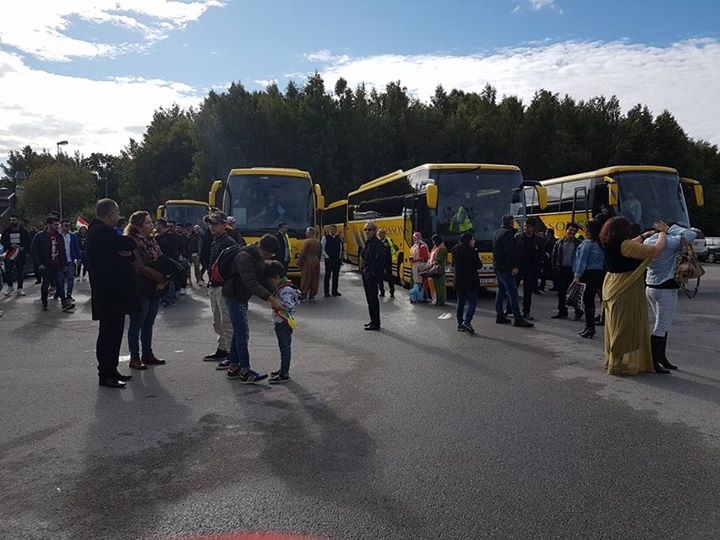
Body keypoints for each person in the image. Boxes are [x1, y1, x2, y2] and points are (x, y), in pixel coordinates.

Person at [600, 216, 667, 375]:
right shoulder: (625, 246)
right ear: (624, 230)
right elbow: (655, 251)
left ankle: (612, 359)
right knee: (626, 326)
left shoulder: (608, 242)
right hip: (626, 286)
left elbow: (631, 245)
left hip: (612, 283)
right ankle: (618, 362)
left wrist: (644, 236)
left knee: (615, 323)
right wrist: (663, 233)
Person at [86, 199, 138, 388]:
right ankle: (106, 374)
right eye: (117, 214)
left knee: (114, 333)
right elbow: (129, 243)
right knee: (109, 335)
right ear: (110, 214)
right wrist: (125, 252)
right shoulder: (102, 232)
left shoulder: (98, 231)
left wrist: (126, 254)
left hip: (111, 292)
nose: (118, 218)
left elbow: (128, 253)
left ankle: (111, 369)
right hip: (109, 292)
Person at [222, 234, 284, 382]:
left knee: (239, 332)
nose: (268, 257)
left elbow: (260, 278)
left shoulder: (257, 255)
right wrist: (270, 299)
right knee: (243, 333)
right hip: (234, 296)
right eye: (267, 254)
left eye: (271, 255)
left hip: (241, 296)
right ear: (259, 247)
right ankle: (245, 371)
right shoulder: (244, 256)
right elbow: (251, 283)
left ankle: (234, 366)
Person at [644, 222, 697, 370]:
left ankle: (661, 358)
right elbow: (691, 234)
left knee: (660, 324)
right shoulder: (669, 241)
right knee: (662, 326)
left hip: (651, 286)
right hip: (666, 287)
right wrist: (669, 229)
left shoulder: (648, 241)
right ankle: (654, 360)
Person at [125, 211, 168, 370]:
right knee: (137, 323)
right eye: (148, 223)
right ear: (138, 226)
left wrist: (165, 276)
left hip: (155, 287)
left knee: (149, 322)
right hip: (140, 287)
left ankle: (147, 353)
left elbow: (161, 258)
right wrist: (160, 277)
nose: (152, 225)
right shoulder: (131, 242)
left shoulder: (151, 240)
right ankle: (134, 357)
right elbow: (138, 267)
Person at [203, 211, 237, 368]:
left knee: (226, 322)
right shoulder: (215, 240)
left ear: (224, 224)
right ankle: (223, 348)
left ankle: (232, 354)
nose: (212, 227)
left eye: (215, 224)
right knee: (217, 321)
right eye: (210, 224)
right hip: (214, 285)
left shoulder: (228, 242)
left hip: (223, 286)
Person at [492, 214, 533, 327]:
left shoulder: (497, 232)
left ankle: (499, 315)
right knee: (513, 292)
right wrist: (514, 266)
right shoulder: (508, 234)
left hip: (498, 266)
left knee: (500, 291)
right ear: (511, 222)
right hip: (506, 268)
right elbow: (510, 252)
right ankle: (517, 317)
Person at [263, 261, 301, 384]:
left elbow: (288, 306)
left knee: (285, 348)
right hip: (281, 321)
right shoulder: (284, 287)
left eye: (271, 280)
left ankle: (284, 374)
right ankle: (282, 370)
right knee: (283, 347)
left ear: (277, 277)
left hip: (283, 322)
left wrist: (276, 304)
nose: (270, 283)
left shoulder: (285, 290)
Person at [31, 216, 74, 312]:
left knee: (60, 283)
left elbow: (62, 251)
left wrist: (65, 264)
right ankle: (44, 302)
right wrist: (39, 264)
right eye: (55, 224)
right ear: (48, 225)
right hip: (46, 266)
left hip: (58, 265)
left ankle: (64, 303)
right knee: (45, 284)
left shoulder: (59, 237)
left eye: (57, 224)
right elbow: (34, 252)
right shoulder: (39, 236)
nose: (57, 226)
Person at [572, 219, 606, 339]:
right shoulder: (601, 244)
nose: (585, 230)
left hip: (589, 274)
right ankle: (595, 323)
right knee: (603, 300)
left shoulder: (588, 244)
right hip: (600, 274)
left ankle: (590, 327)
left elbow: (582, 261)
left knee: (588, 301)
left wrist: (577, 275)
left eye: (586, 228)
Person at [551, 223, 582, 320]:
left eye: (574, 231)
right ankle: (562, 311)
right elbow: (554, 256)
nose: (572, 232)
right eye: (570, 230)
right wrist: (554, 269)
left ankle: (578, 312)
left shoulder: (579, 243)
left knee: (575, 293)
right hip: (562, 270)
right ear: (566, 230)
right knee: (561, 292)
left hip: (573, 271)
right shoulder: (559, 242)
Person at [452, 232, 481, 334]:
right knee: (472, 302)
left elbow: (453, 264)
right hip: (471, 280)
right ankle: (467, 321)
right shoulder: (472, 251)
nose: (474, 241)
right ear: (468, 241)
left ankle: (460, 324)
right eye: (472, 240)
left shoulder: (455, 250)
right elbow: (479, 265)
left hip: (459, 280)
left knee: (460, 302)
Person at [515, 219, 543, 320]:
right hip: (518, 268)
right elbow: (513, 253)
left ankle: (526, 312)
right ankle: (510, 309)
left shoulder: (537, 240)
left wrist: (537, 269)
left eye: (529, 226)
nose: (527, 228)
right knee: (513, 290)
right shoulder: (518, 238)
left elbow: (540, 254)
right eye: (525, 226)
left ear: (533, 228)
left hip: (530, 269)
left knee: (528, 292)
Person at [360, 221, 384, 330]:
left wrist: (373, 272)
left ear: (374, 231)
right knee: (369, 299)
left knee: (373, 299)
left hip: (372, 275)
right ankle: (372, 320)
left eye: (369, 229)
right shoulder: (368, 242)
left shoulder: (377, 243)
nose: (367, 231)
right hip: (366, 273)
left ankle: (376, 323)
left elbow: (380, 260)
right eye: (365, 229)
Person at [1, 214, 31, 296]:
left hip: (20, 254)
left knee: (20, 272)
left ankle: (20, 289)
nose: (12, 222)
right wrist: (10, 245)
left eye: (13, 220)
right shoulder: (6, 231)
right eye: (10, 220)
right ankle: (10, 286)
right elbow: (3, 241)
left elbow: (29, 242)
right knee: (8, 271)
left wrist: (23, 248)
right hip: (9, 253)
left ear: (18, 221)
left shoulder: (24, 231)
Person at [59, 219, 81, 302]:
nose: (68, 227)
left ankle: (69, 295)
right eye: (66, 225)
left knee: (70, 278)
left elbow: (76, 248)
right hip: (60, 261)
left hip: (70, 260)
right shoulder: (58, 236)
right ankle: (60, 293)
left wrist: (78, 258)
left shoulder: (73, 236)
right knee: (60, 280)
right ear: (61, 226)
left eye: (69, 225)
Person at [298, 227, 322, 301]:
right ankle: (312, 294)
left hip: (308, 261)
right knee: (315, 278)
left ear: (308, 233)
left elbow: (303, 253)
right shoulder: (318, 242)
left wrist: (299, 262)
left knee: (306, 277)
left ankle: (304, 294)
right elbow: (320, 253)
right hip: (316, 260)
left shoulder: (306, 242)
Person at [321, 224, 343, 297]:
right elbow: (322, 249)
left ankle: (334, 291)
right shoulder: (325, 238)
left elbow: (340, 248)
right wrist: (327, 257)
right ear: (329, 230)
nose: (333, 231)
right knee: (327, 276)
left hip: (337, 260)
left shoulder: (338, 238)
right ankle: (326, 292)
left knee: (336, 276)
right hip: (329, 260)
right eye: (331, 229)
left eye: (334, 229)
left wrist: (340, 258)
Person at [427, 234, 448, 305]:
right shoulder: (435, 247)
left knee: (439, 285)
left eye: (434, 241)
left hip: (438, 269)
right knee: (434, 285)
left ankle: (440, 300)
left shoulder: (443, 248)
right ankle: (435, 300)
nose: (433, 242)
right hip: (432, 268)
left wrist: (432, 263)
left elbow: (439, 259)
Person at [409, 232, 430, 297]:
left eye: (414, 238)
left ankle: (422, 295)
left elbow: (425, 258)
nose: (413, 239)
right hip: (414, 265)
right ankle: (418, 294)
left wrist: (416, 260)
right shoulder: (414, 246)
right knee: (416, 281)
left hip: (420, 266)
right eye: (413, 238)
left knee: (421, 281)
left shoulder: (422, 246)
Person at [377, 228, 396, 298]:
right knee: (380, 278)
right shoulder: (377, 241)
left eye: (383, 233)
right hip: (379, 263)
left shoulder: (389, 241)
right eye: (380, 233)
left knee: (389, 277)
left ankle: (392, 292)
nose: (382, 235)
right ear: (378, 234)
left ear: (385, 234)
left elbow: (394, 249)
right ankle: (382, 291)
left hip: (387, 262)